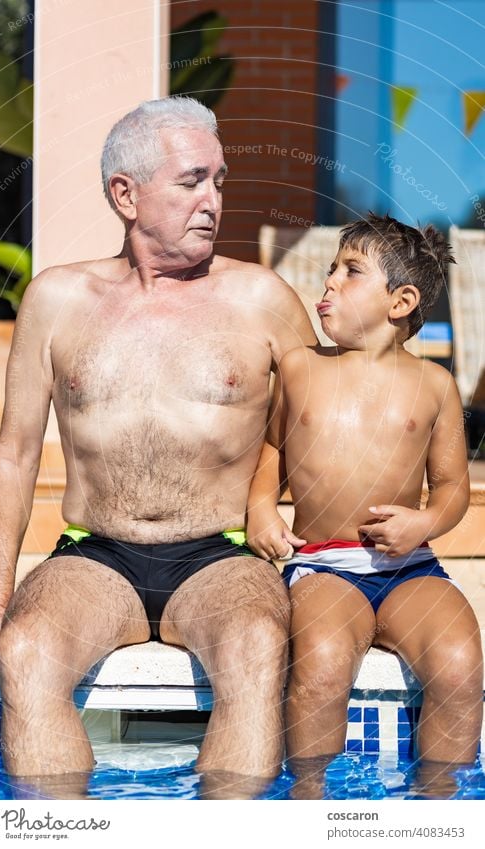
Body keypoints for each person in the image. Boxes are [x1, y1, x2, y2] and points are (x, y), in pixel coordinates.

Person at [0, 97, 316, 792]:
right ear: (126, 194)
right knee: (24, 650)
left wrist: (269, 500)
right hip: (96, 553)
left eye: (219, 180)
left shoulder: (261, 298)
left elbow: (311, 423)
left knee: (256, 643)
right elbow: (15, 451)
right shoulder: (58, 299)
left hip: (221, 552)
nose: (212, 199)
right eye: (191, 181)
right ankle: (60, 834)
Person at [247, 213, 483, 789]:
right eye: (330, 269)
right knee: (323, 668)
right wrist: (258, 511)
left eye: (350, 271)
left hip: (410, 568)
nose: (328, 283)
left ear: (399, 301)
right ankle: (309, 796)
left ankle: (439, 803)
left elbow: (453, 487)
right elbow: (270, 457)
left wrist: (425, 521)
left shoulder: (435, 386)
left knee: (460, 667)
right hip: (325, 565)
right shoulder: (301, 368)